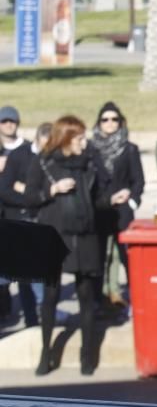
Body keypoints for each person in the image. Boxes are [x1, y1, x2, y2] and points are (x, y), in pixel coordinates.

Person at [25, 116, 105, 375]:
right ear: (68, 139)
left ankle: (87, 355)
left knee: (86, 295)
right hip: (55, 235)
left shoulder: (90, 162)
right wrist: (53, 189)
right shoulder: (44, 162)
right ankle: (45, 352)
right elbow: (29, 197)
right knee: (50, 297)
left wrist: (113, 198)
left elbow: (101, 194)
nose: (85, 142)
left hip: (84, 236)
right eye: (80, 138)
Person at [91, 102, 144, 310]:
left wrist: (131, 200)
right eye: (105, 119)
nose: (110, 123)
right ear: (99, 123)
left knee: (127, 257)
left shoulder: (129, 149)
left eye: (114, 119)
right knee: (99, 258)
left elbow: (138, 180)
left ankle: (135, 300)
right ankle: (98, 301)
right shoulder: (91, 149)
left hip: (122, 212)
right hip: (100, 211)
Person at [0, 108, 43, 327]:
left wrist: (25, 194)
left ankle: (33, 319)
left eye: (12, 121)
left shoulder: (27, 151)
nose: (8, 124)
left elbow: (32, 186)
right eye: (3, 121)